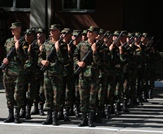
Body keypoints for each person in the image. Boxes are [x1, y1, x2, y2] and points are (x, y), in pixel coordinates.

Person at [73, 26, 101, 127]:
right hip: (83, 75)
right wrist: (78, 63)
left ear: (95, 34)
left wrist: (94, 52)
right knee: (83, 97)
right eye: (88, 32)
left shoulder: (99, 46)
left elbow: (98, 62)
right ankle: (83, 119)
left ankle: (90, 119)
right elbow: (75, 56)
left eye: (91, 32)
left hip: (93, 75)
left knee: (92, 98)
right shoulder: (81, 45)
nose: (88, 33)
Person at [38, 24, 65, 125]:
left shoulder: (62, 45)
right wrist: (42, 62)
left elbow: (64, 60)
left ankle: (55, 117)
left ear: (58, 31)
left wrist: (58, 50)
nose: (51, 32)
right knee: (48, 96)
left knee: (57, 96)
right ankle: (49, 116)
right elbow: (39, 58)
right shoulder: (46, 44)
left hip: (57, 74)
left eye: (53, 30)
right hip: (47, 74)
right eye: (50, 30)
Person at [2, 21, 26, 123]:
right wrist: (4, 61)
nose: (12, 30)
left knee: (18, 94)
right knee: (9, 94)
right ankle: (10, 114)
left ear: (19, 29)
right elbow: (6, 54)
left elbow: (24, 58)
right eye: (11, 29)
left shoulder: (24, 42)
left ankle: (17, 115)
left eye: (14, 29)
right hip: (8, 72)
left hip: (18, 72)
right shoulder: (8, 41)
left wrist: (18, 49)